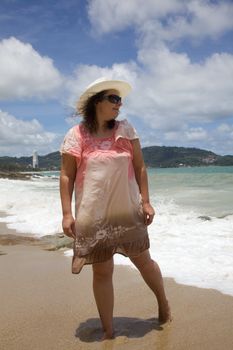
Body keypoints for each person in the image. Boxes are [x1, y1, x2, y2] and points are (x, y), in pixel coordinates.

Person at [59, 77, 171, 340]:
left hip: (126, 211)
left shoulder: (126, 130)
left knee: (143, 260)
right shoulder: (76, 135)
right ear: (97, 101)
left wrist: (146, 201)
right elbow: (67, 176)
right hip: (93, 216)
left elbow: (140, 166)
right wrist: (66, 214)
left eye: (120, 99)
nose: (120, 104)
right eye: (114, 98)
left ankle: (163, 304)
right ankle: (108, 331)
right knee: (102, 270)